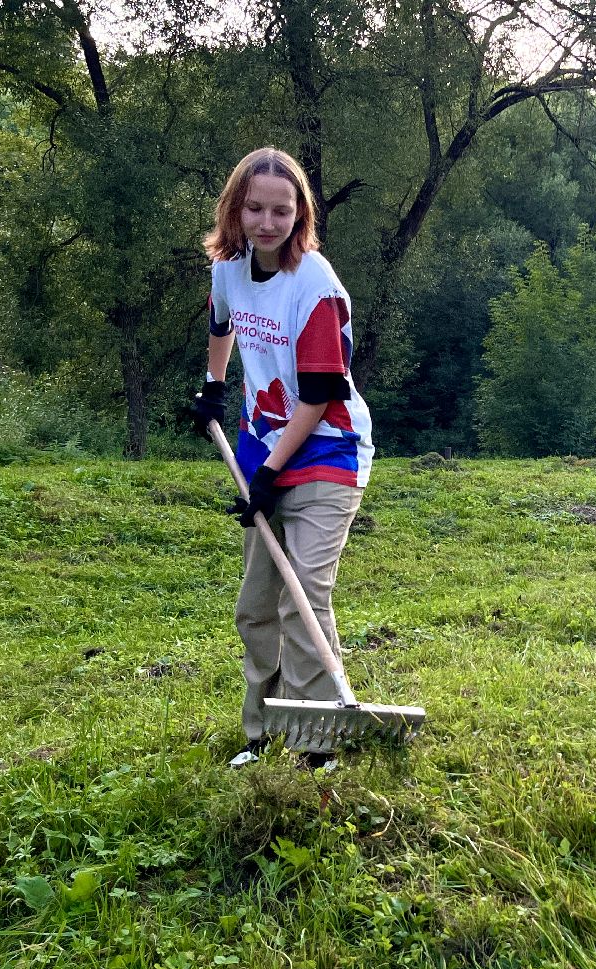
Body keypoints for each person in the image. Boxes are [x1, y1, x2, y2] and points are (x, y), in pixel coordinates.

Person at [190, 147, 375, 769]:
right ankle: (261, 732)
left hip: (327, 452)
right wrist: (215, 386)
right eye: (256, 209)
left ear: (300, 215)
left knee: (305, 597)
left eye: (282, 210)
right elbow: (222, 326)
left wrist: (269, 476)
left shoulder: (316, 286)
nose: (268, 223)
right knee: (256, 602)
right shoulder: (228, 268)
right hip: (259, 448)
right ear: (235, 210)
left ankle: (317, 743)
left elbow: (321, 397)